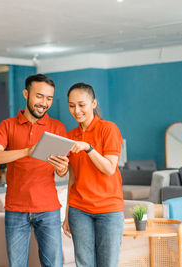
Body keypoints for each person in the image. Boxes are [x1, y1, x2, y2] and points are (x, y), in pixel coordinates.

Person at [0, 73, 69, 267]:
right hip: (16, 208)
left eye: (49, 98)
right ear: (26, 94)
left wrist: (63, 168)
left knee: (54, 265)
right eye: (39, 96)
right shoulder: (7, 126)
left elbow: (62, 172)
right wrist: (27, 151)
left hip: (48, 208)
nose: (44, 103)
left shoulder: (57, 127)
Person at [63, 82, 124, 267]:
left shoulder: (108, 129)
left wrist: (88, 148)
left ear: (94, 103)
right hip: (79, 210)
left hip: (109, 209)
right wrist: (67, 213)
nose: (76, 110)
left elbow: (109, 168)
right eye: (72, 106)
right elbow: (72, 178)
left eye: (82, 105)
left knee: (108, 263)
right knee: (84, 263)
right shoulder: (69, 136)